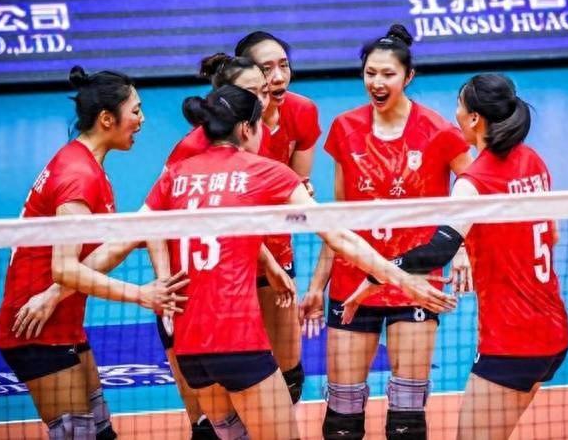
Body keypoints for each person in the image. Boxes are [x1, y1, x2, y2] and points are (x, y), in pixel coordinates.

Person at [144, 85, 456, 440]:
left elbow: (133, 232)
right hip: (238, 342)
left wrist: (132, 288)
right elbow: (338, 236)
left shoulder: (175, 175)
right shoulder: (265, 172)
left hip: (189, 347)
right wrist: (402, 277)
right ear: (246, 129)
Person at [344, 73, 568, 440]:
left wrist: (375, 277)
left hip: (512, 340)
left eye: (459, 107)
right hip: (553, 329)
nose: (455, 115)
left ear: (475, 118)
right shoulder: (533, 161)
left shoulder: (474, 181)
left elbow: (438, 250)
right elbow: (552, 234)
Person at [300, 24, 473, 440]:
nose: (377, 82)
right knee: (341, 416)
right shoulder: (344, 128)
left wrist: (461, 248)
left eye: (388, 74)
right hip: (353, 278)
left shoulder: (439, 132)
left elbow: (475, 194)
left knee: (407, 417)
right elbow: (340, 219)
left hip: (413, 280)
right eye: (370, 73)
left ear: (408, 76)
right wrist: (317, 286)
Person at [0, 66, 185, 440]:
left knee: (100, 432)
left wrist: (150, 228)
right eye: (136, 111)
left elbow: (96, 252)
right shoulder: (77, 176)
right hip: (35, 328)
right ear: (106, 119)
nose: (142, 120)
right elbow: (66, 269)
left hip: (61, 319)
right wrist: (141, 294)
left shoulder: (85, 164)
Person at [158, 52, 294, 440]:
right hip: (196, 300)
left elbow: (225, 217)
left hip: (238, 281)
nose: (262, 99)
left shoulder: (253, 135)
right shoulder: (192, 151)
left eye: (263, 91)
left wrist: (269, 263)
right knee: (212, 426)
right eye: (252, 92)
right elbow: (155, 224)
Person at [235, 31, 322, 407]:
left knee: (290, 374)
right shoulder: (226, 122)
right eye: (267, 68)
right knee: (237, 367)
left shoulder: (302, 112)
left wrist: (301, 193)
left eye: (284, 65)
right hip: (231, 254)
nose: (279, 76)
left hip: (277, 246)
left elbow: (298, 182)